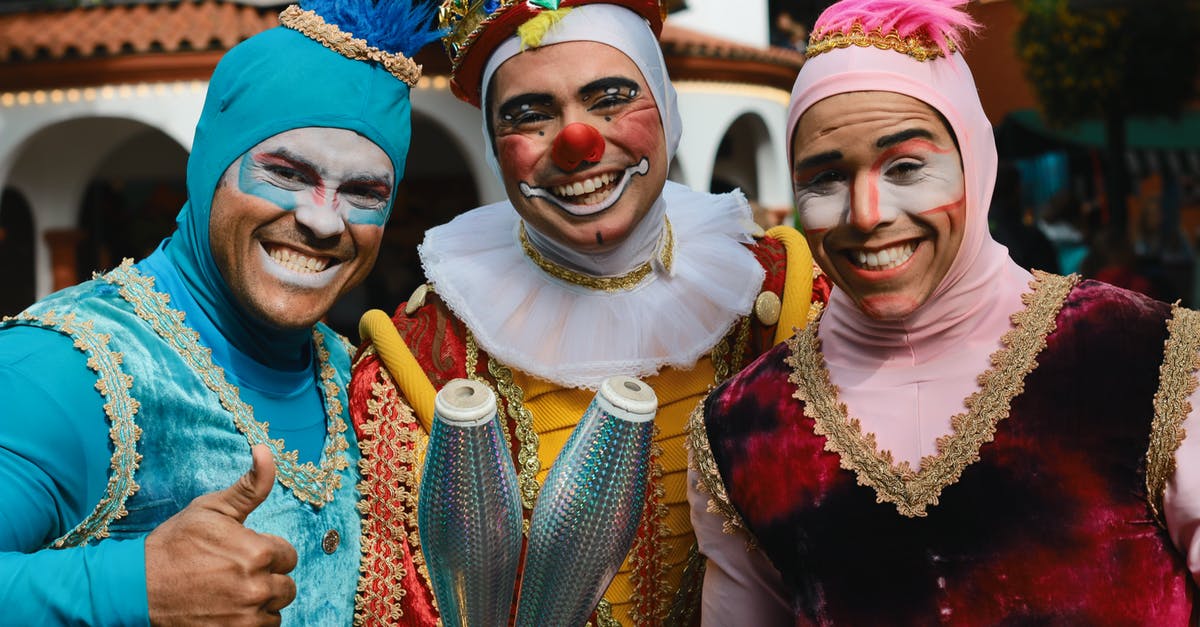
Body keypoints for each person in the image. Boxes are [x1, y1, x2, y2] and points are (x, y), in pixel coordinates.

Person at [688, 0, 1200, 624]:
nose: (867, 213)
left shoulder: (1144, 358)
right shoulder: (745, 427)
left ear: (974, 163)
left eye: (907, 166)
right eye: (825, 177)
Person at [347, 0, 828, 623]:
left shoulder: (787, 296)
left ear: (666, 105)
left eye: (610, 99)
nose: (579, 143)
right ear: (494, 148)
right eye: (530, 115)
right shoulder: (419, 355)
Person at [0, 0, 439, 623]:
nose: (322, 220)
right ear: (210, 168)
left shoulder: (361, 383)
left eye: (364, 193)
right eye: (286, 173)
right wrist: (130, 589)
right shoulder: (64, 365)